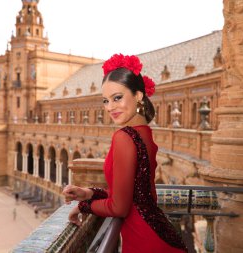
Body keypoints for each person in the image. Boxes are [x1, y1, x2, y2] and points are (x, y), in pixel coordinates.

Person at [62, 54, 188, 253]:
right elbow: (135, 193)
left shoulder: (124, 136)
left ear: (138, 95)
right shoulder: (145, 132)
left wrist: (84, 207)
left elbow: (119, 207)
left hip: (144, 242)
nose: (110, 107)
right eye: (106, 101)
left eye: (117, 98)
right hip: (162, 236)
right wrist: (89, 193)